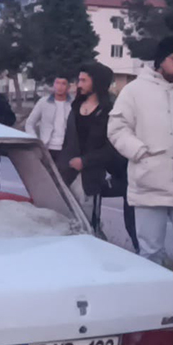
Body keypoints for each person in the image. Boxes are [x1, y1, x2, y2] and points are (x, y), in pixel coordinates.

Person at [107, 37, 173, 327]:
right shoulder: (134, 92)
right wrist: (139, 151)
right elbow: (117, 128)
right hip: (149, 185)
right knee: (150, 250)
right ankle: (151, 305)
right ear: (160, 61)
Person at [60, 62, 138, 251]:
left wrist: (85, 162)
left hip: (90, 178)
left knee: (88, 227)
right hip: (66, 176)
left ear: (97, 82)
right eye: (79, 80)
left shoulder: (110, 112)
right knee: (64, 224)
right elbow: (67, 142)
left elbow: (111, 148)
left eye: (84, 80)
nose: (79, 84)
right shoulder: (75, 107)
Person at [25, 76, 73, 173]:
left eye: (63, 84)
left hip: (66, 149)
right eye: (57, 83)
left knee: (63, 179)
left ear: (68, 87)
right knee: (47, 178)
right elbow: (30, 123)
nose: (60, 87)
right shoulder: (44, 102)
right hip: (47, 148)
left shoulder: (73, 103)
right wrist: (36, 141)